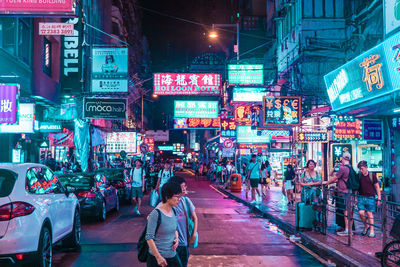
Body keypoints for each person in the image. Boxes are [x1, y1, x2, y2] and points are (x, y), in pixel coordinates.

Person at [146, 182, 183, 267]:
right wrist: (158, 257)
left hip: (172, 255)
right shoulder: (156, 214)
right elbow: (149, 238)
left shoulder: (174, 210)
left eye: (180, 196)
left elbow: (175, 229)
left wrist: (176, 239)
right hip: (157, 259)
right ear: (167, 197)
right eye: (177, 197)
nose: (179, 199)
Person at [170, 176, 198, 267]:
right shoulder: (167, 204)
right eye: (182, 187)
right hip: (171, 244)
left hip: (184, 243)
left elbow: (195, 218)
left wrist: (193, 235)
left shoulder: (186, 201)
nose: (184, 189)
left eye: (185, 186)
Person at [324, 152, 352, 236]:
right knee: (344, 211)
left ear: (343, 158)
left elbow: (334, 178)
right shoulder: (350, 167)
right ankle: (346, 228)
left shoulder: (343, 168)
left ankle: (347, 230)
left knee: (346, 211)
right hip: (347, 192)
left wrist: (327, 183)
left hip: (343, 193)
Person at [356, 160, 381, 238]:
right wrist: (356, 197)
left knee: (370, 213)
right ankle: (366, 225)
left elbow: (377, 186)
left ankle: (372, 230)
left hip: (370, 197)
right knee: (361, 212)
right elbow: (357, 187)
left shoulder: (372, 175)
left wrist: (379, 198)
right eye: (360, 169)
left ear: (366, 167)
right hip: (361, 197)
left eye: (362, 168)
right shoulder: (359, 176)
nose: (361, 170)